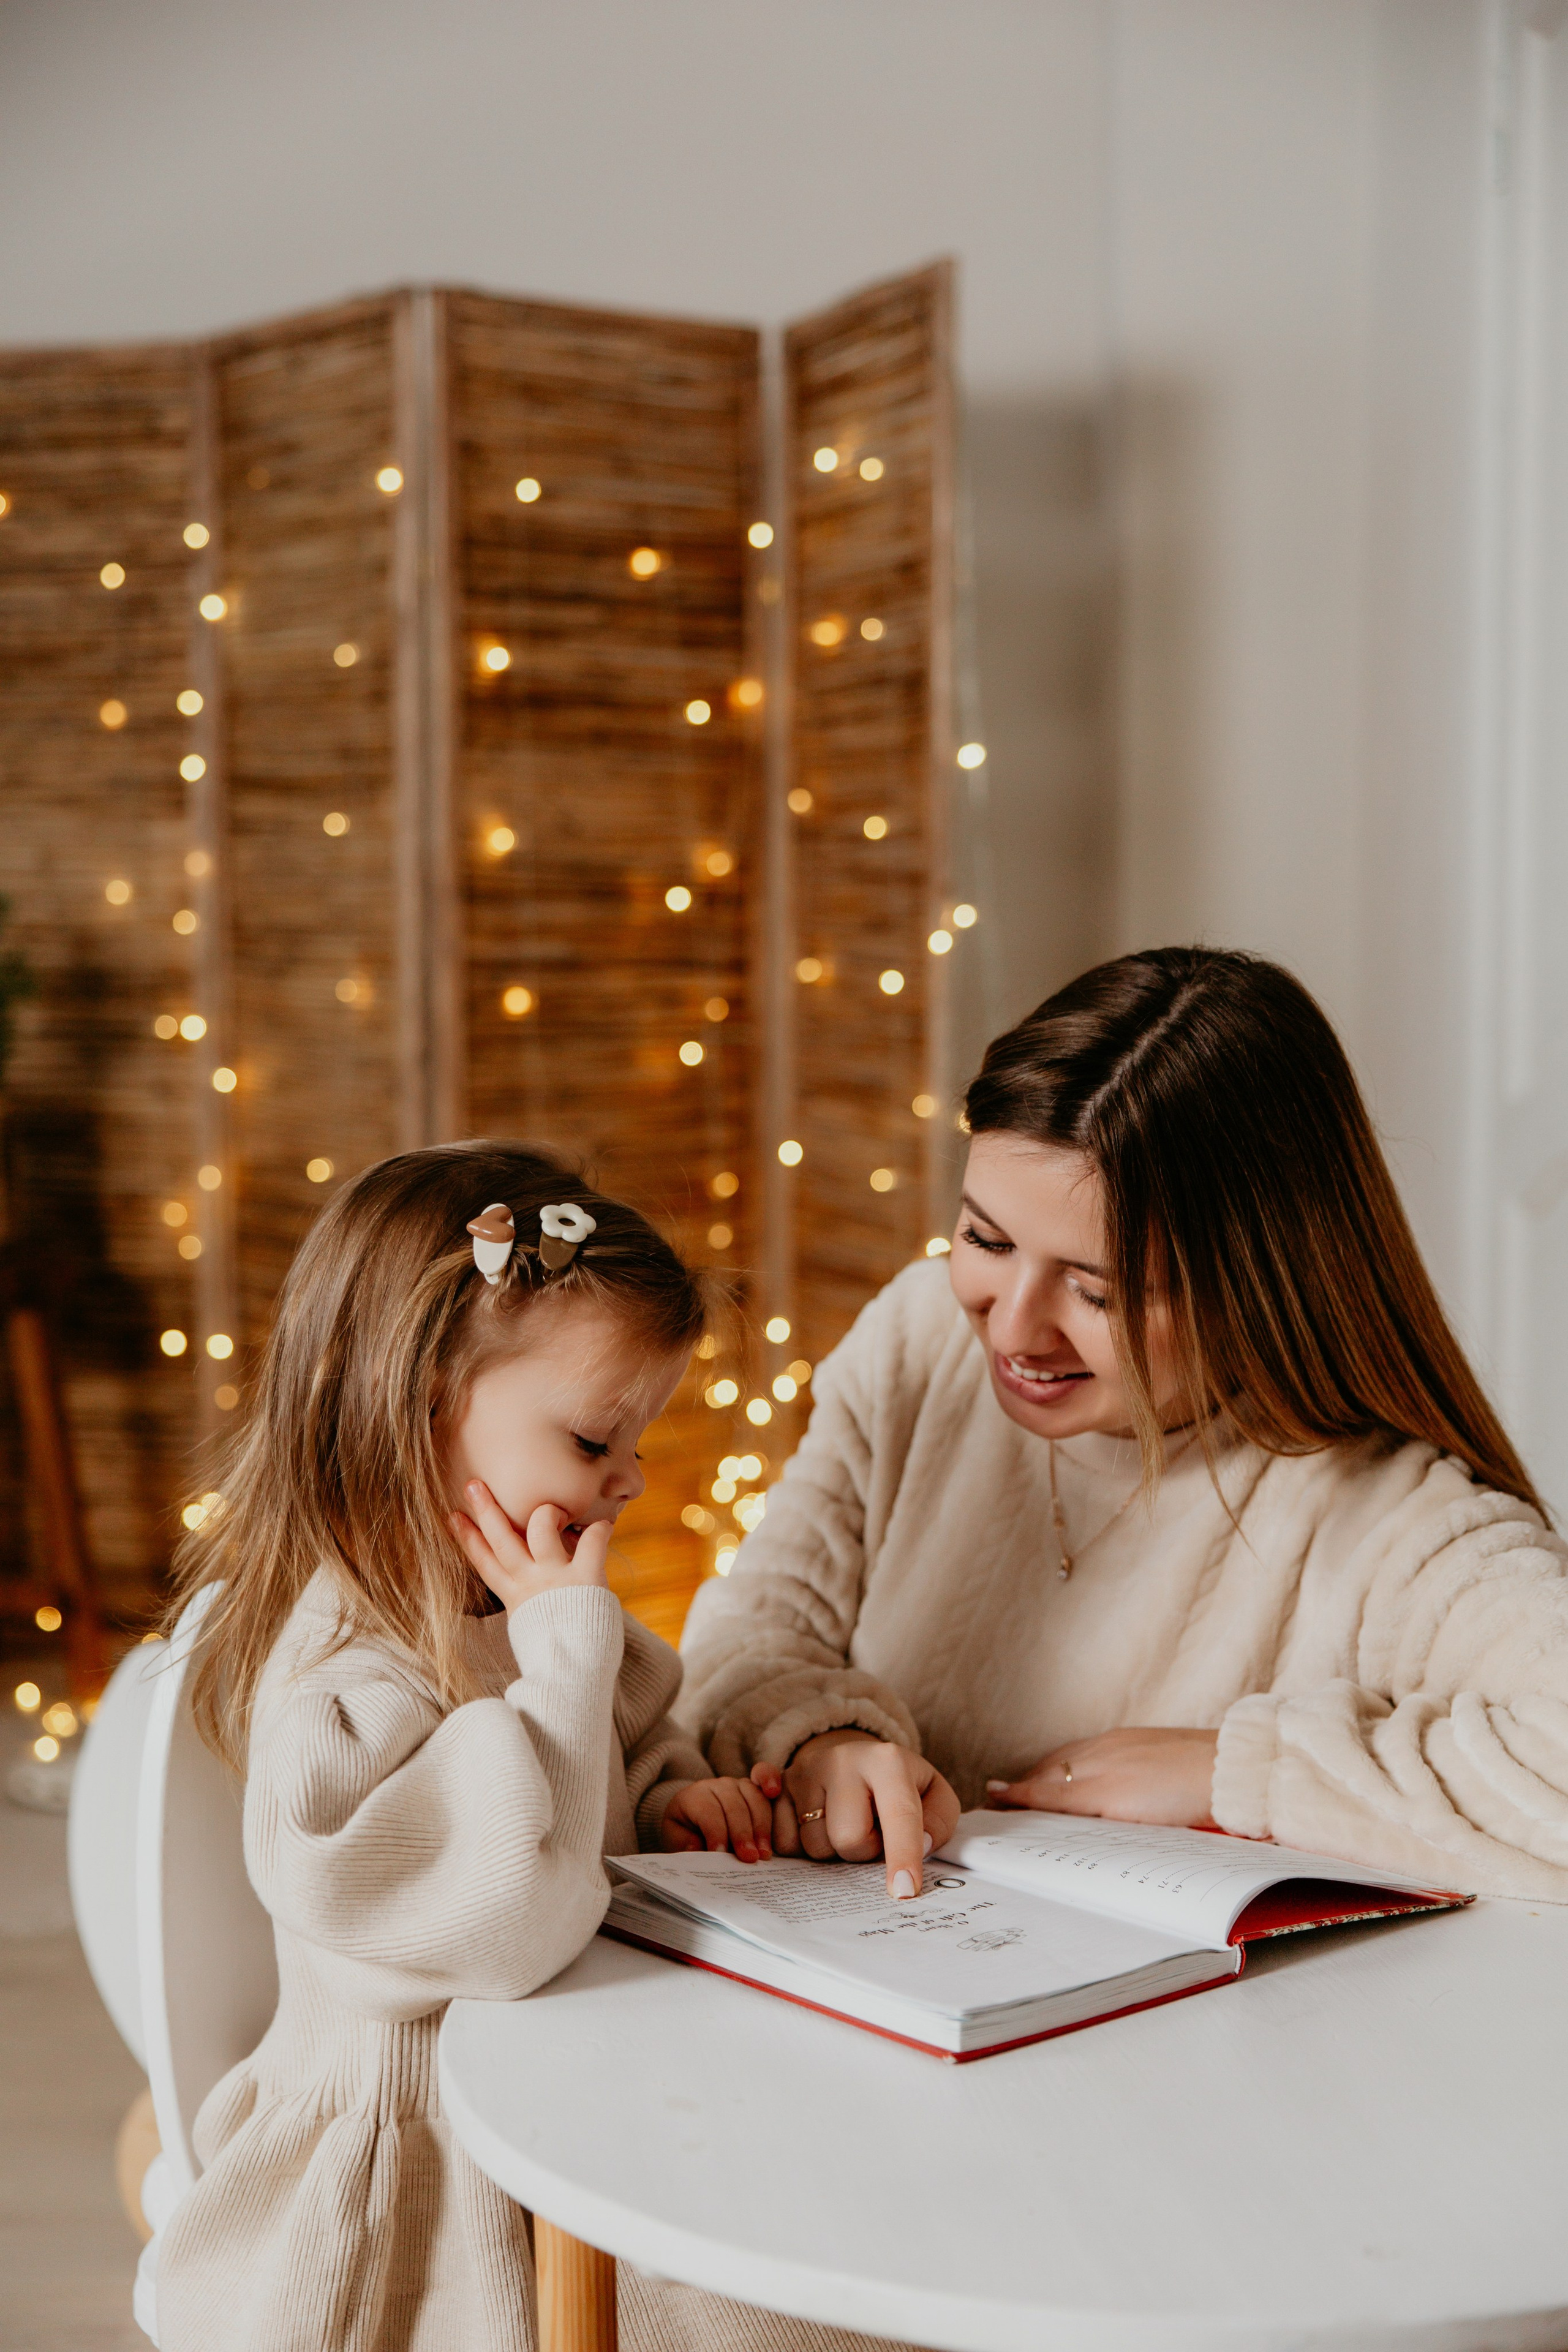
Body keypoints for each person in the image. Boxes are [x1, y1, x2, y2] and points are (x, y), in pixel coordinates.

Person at [682, 947, 1568, 1907]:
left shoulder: (1383, 1514)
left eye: (1098, 1291)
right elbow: (745, 1641)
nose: (1013, 1328)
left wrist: (1235, 1773)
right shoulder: (919, 1345)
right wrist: (820, 1744)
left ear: (1255, 1286)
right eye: (984, 1239)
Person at [151, 1142, 778, 2352]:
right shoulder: (346, 1685)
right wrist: (565, 1657)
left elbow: (606, 1757)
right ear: (417, 1400)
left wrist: (669, 1801)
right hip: (426, 2181)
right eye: (597, 1442)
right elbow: (516, 1918)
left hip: (566, 2091)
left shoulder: (515, 1615)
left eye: (638, 1442)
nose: (633, 1480)